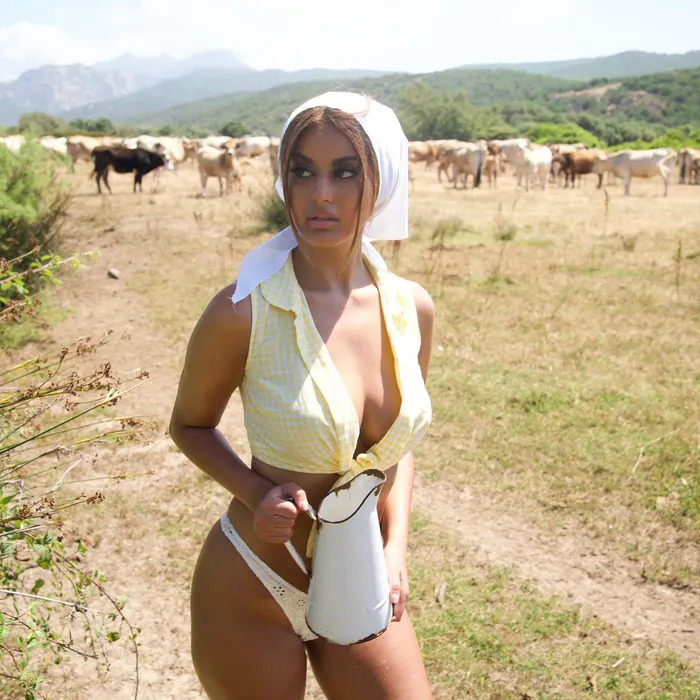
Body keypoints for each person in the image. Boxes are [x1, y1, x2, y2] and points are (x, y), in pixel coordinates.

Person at [169, 91, 435, 700]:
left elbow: (397, 450)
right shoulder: (243, 310)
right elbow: (189, 425)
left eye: (346, 172)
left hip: (363, 575)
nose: (322, 194)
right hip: (256, 580)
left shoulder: (411, 309)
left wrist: (395, 548)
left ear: (383, 182)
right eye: (303, 171)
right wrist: (255, 492)